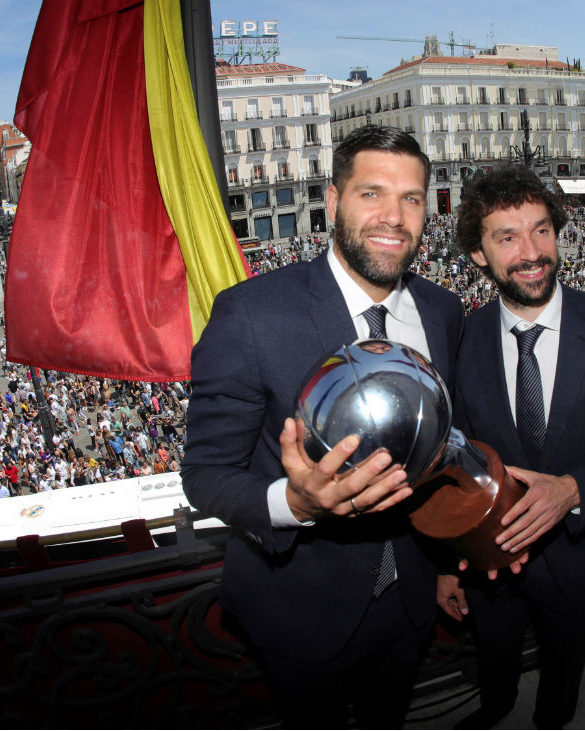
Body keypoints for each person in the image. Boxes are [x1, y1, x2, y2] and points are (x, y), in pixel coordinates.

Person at [182, 125, 464, 728]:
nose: (394, 216)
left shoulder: (442, 312)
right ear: (333, 201)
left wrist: (443, 563)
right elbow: (205, 476)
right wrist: (296, 502)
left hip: (412, 597)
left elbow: (432, 448)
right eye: (372, 194)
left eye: (411, 198)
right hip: (299, 608)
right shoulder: (250, 315)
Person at [435, 165, 585, 728]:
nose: (531, 251)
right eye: (506, 237)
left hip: (582, 559)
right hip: (489, 566)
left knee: (565, 672)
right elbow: (455, 463)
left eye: (541, 230)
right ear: (478, 256)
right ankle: (496, 707)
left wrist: (574, 490)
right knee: (494, 661)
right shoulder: (461, 340)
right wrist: (448, 566)